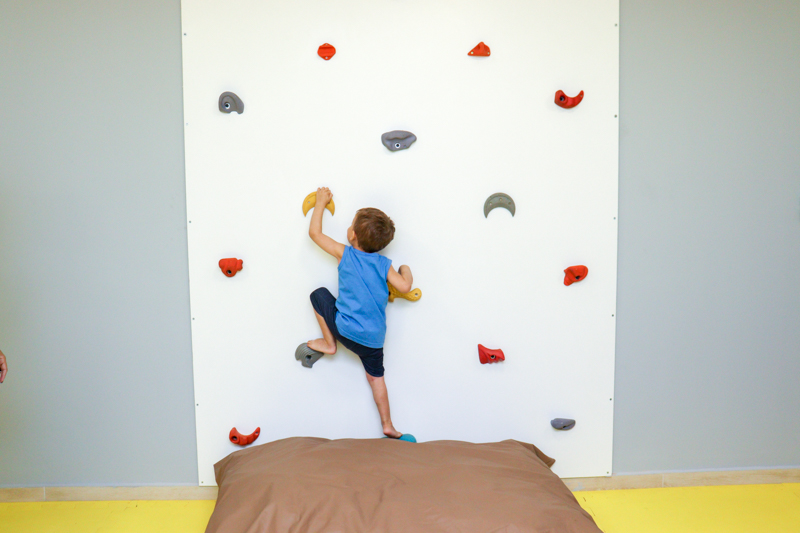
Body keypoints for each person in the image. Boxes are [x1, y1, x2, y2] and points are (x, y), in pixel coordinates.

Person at [298, 187, 413, 439]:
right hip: (373, 341)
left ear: (352, 234)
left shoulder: (345, 254)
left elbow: (314, 233)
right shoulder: (384, 264)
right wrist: (405, 268)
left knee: (318, 294)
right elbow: (405, 286)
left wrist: (321, 202)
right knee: (377, 380)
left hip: (345, 331)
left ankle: (329, 344)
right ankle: (388, 425)